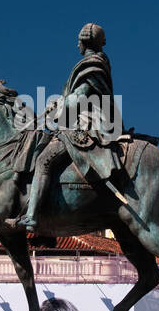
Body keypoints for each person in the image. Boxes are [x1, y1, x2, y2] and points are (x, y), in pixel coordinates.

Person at [17, 23, 123, 233]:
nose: (77, 46)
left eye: (79, 42)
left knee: (43, 160)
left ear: (85, 42)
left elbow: (80, 97)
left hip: (87, 125)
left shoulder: (91, 65)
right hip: (79, 121)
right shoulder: (96, 64)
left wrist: (58, 105)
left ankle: (31, 217)